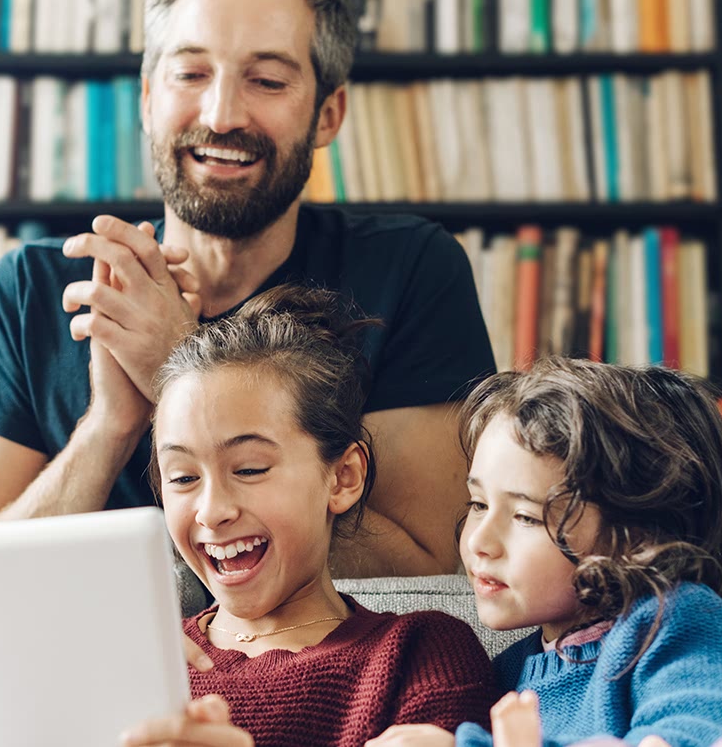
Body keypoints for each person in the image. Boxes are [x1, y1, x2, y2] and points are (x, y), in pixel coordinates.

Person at [0, 0, 495, 578]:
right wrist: (107, 428)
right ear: (148, 100)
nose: (222, 115)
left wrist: (182, 373)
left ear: (328, 115)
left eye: (268, 80)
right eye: (191, 74)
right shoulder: (32, 292)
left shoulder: (409, 270)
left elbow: (430, 568)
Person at [367, 360, 722, 747]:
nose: (480, 541)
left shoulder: (677, 624)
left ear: (635, 534)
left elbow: (697, 733)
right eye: (479, 504)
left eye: (525, 517)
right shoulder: (505, 674)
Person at [120, 285, 495, 747]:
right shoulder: (141, 663)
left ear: (342, 478)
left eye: (250, 468)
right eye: (182, 478)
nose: (212, 511)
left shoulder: (420, 654)